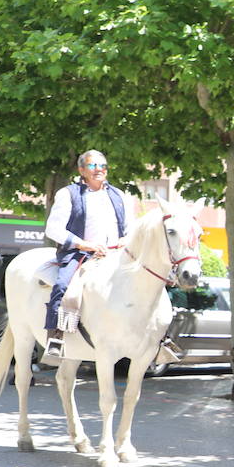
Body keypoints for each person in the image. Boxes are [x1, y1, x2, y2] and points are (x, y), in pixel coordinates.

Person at [42, 149, 183, 365]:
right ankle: (56, 336)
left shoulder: (119, 195)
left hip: (116, 254)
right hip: (81, 253)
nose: (99, 170)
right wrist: (86, 244)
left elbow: (130, 229)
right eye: (92, 166)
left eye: (103, 166)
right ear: (82, 170)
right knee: (63, 286)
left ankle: (160, 340)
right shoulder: (68, 194)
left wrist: (125, 243)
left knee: (155, 286)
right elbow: (53, 229)